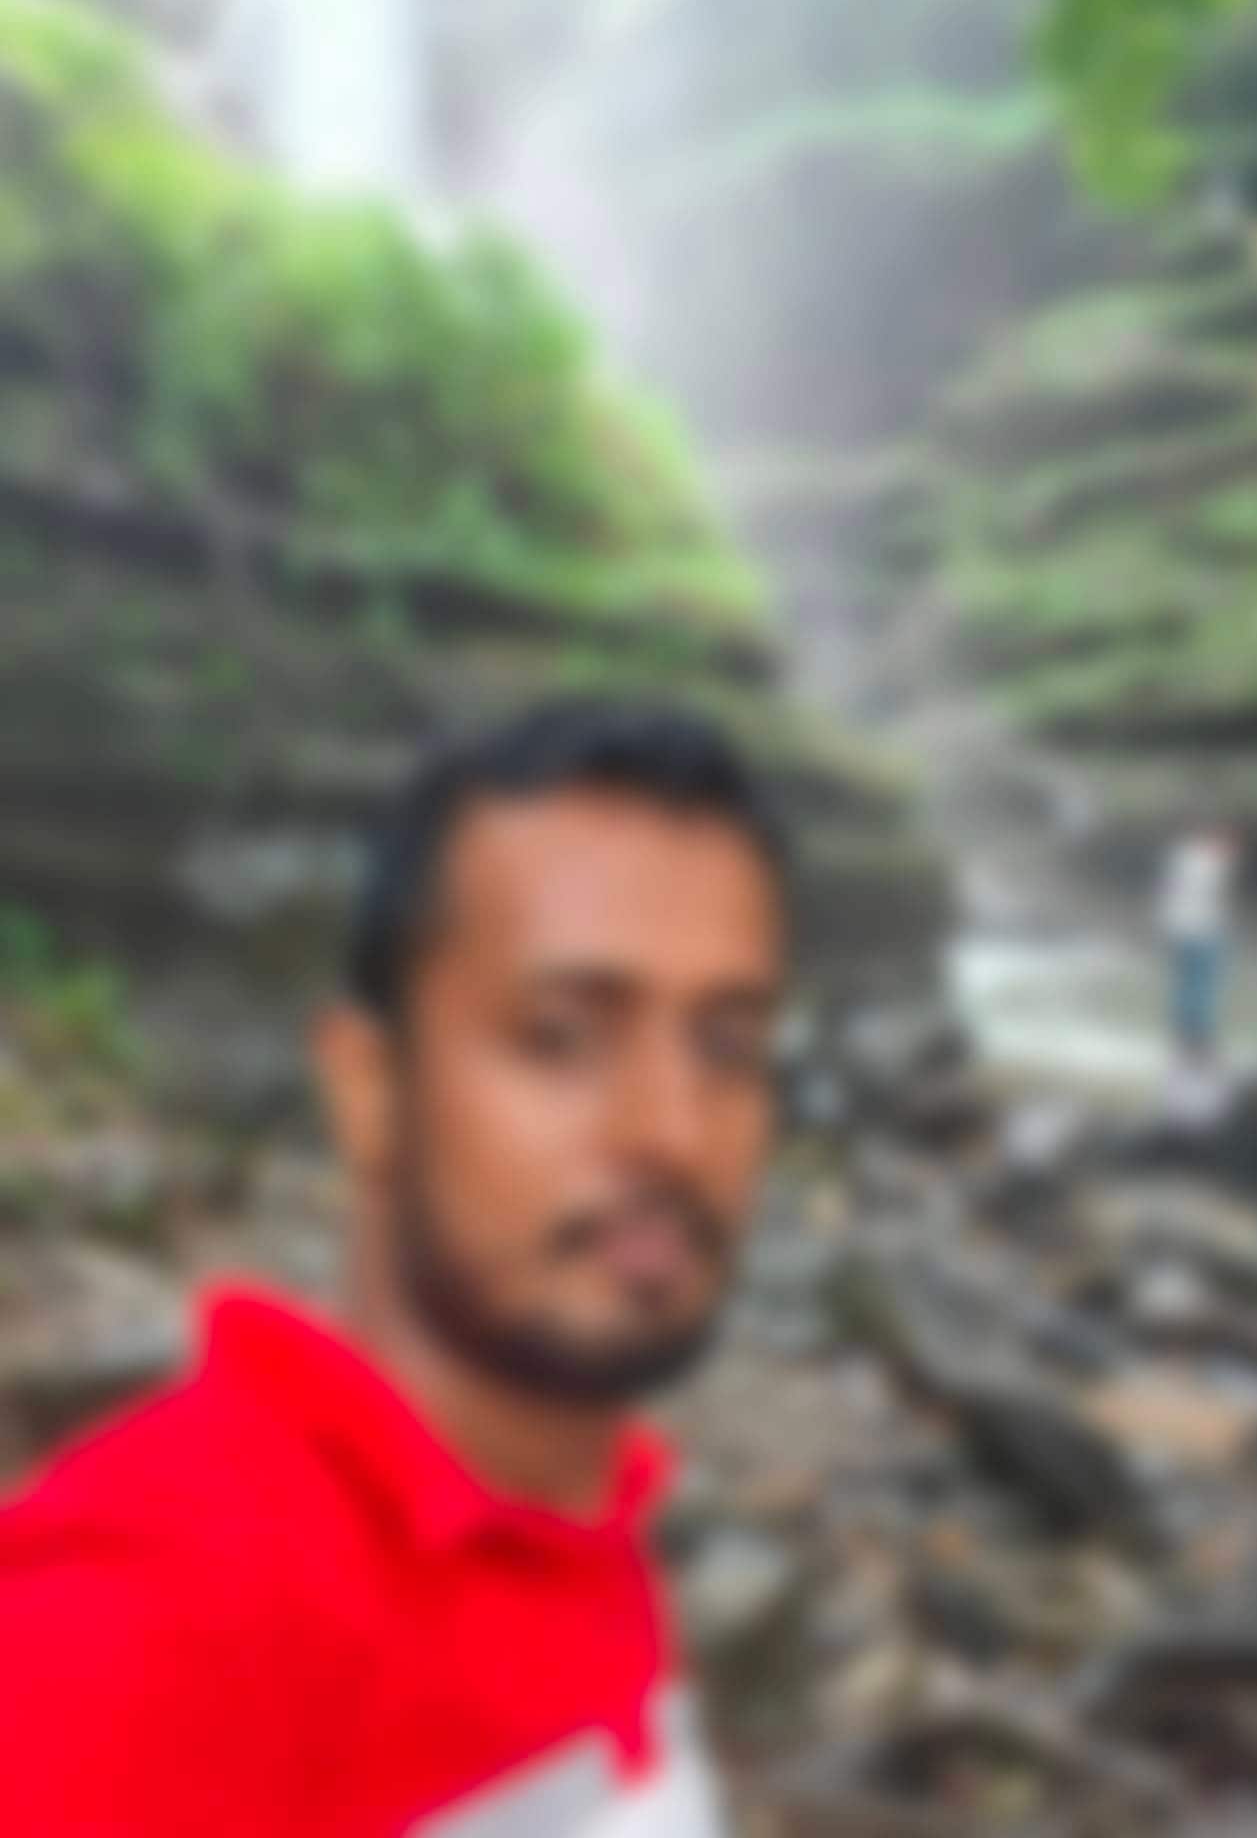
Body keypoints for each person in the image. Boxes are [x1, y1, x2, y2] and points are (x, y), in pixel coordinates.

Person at [0, 699, 790, 1837]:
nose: (672, 1130)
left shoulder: (582, 1519)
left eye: (728, 1047)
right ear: (367, 1090)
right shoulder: (152, 1615)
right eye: (560, 1037)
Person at [1157, 825, 1240, 1066]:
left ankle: (1183, 1037)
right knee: (1203, 986)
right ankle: (1199, 1041)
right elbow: (1213, 902)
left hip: (1177, 929)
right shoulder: (1212, 865)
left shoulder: (1182, 858)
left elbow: (1170, 895)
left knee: (1185, 984)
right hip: (1203, 931)